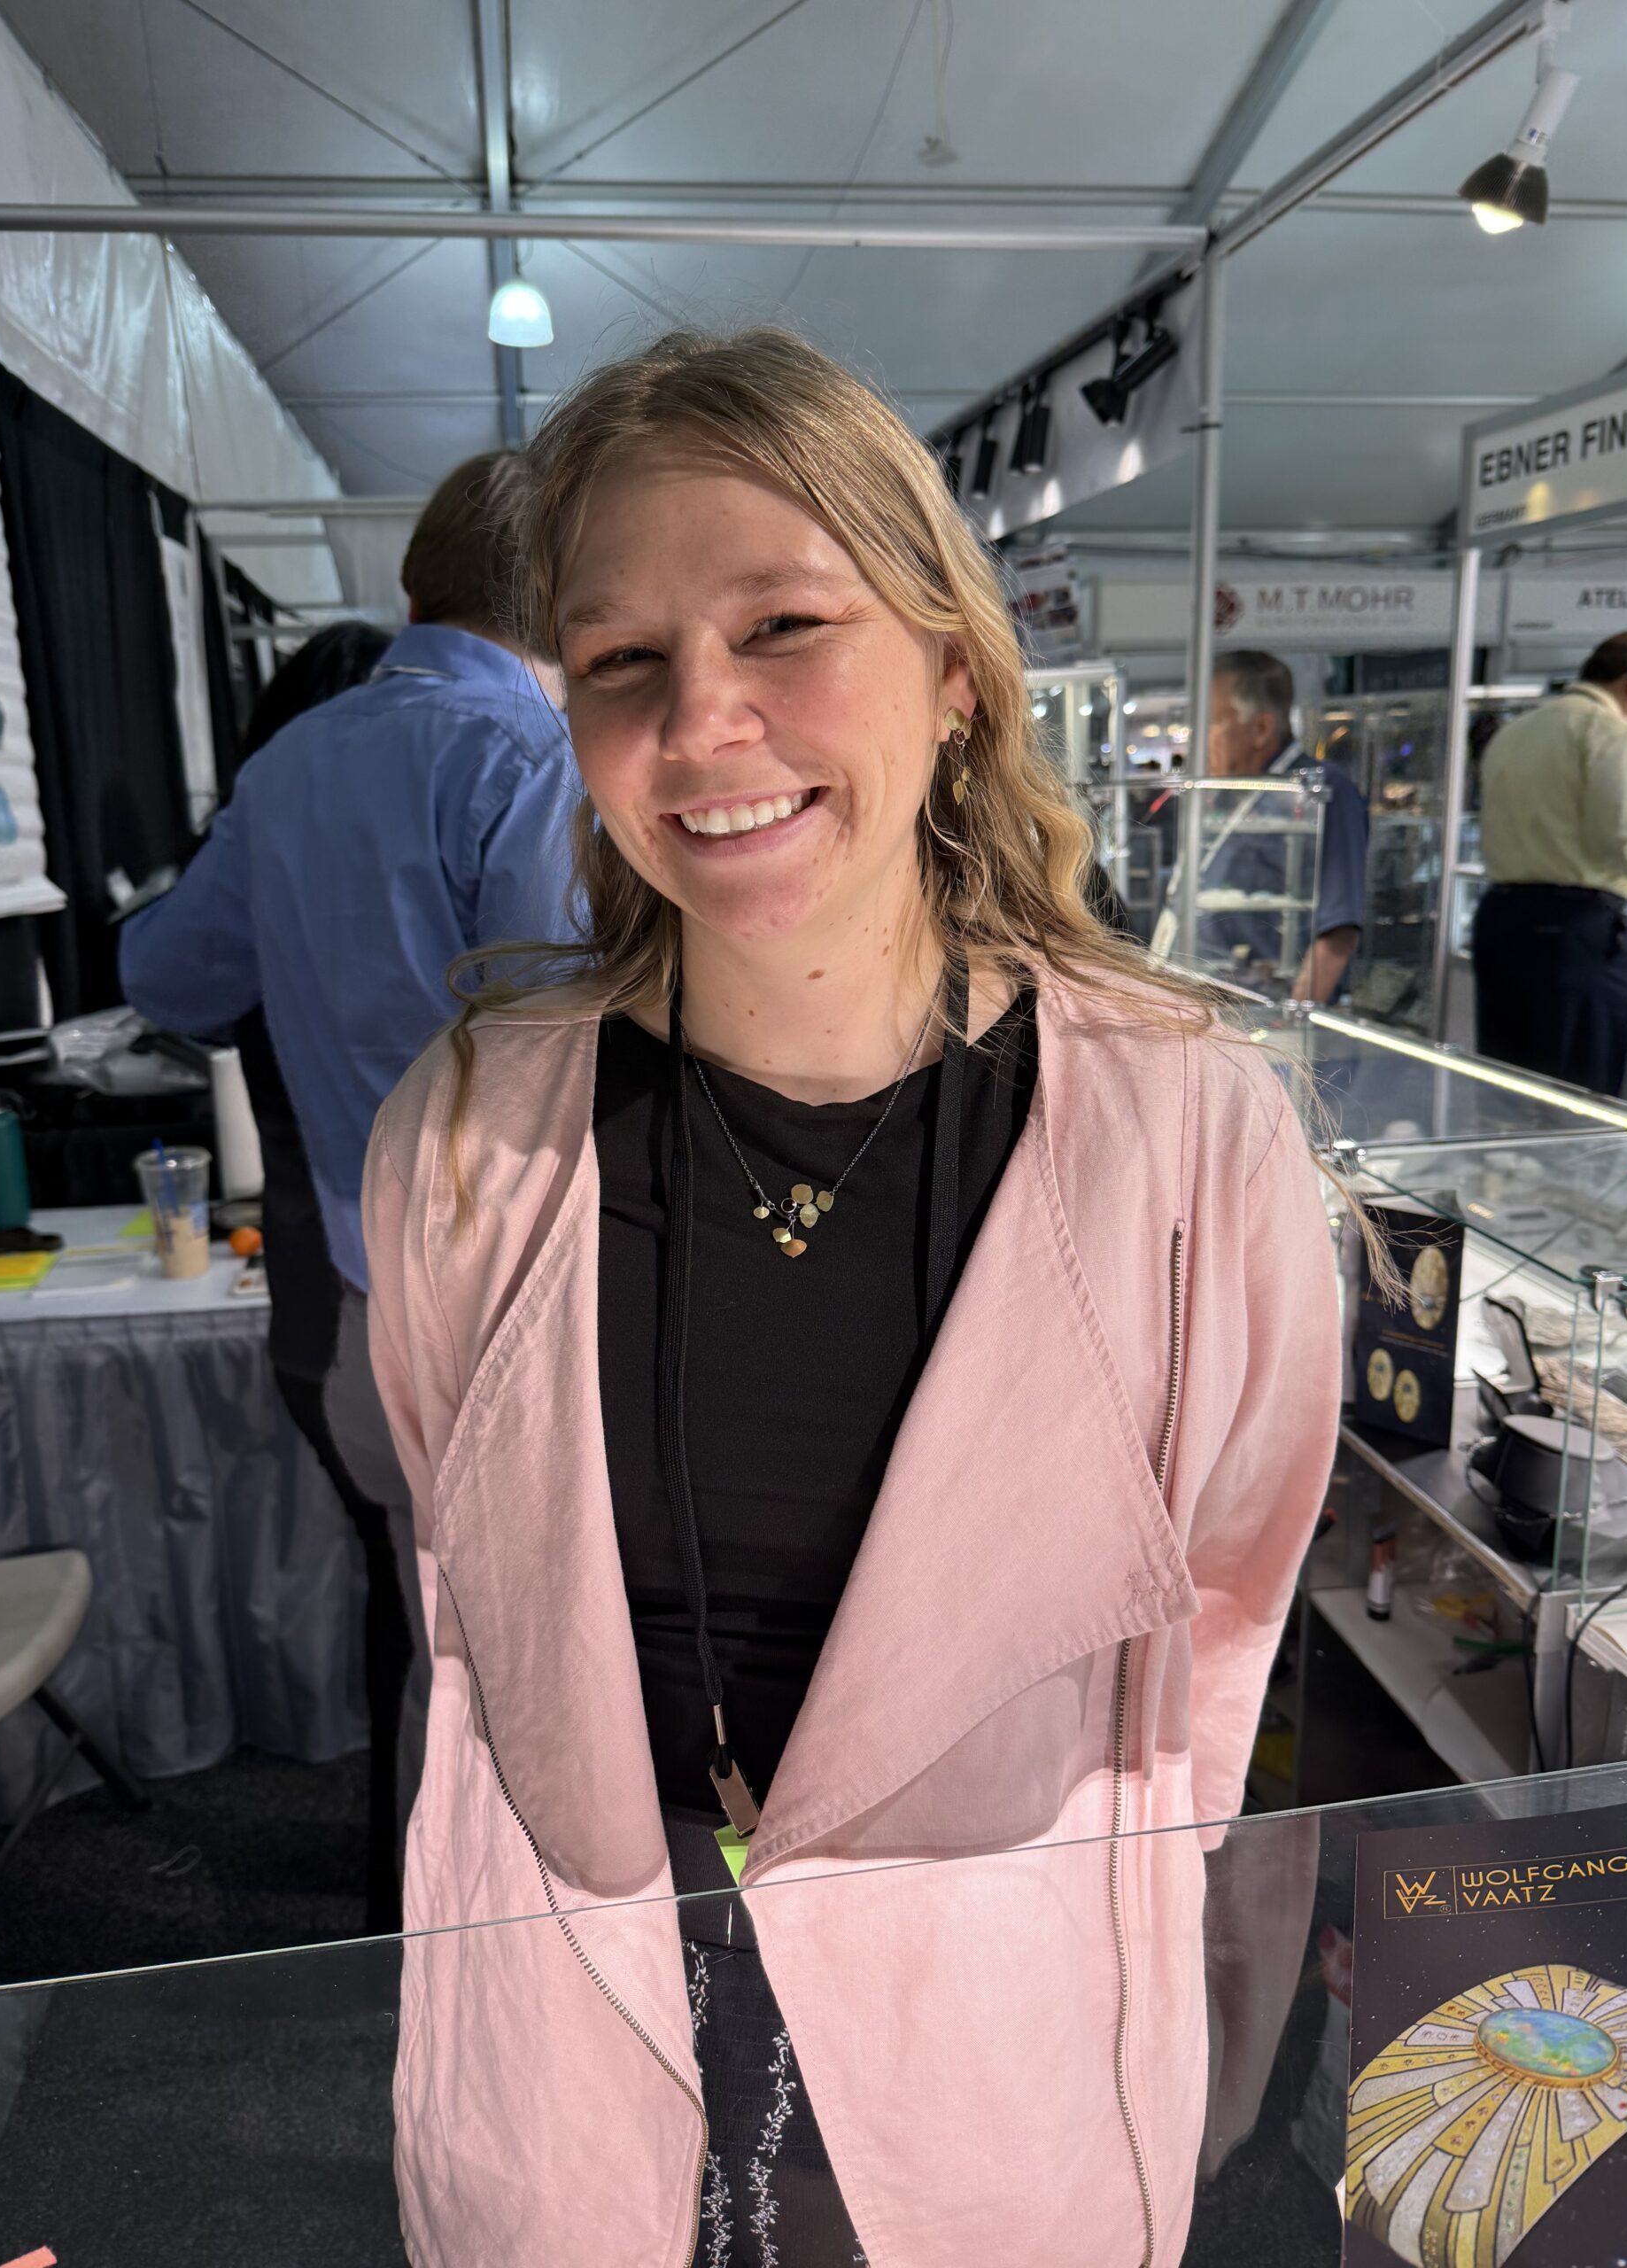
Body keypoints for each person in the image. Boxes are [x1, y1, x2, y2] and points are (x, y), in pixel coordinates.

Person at [363, 330, 1339, 2266]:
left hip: (1001, 2024)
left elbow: (1226, 1602)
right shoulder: (474, 1137)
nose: (701, 721)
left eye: (784, 626)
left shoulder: (1181, 1131)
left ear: (954, 669)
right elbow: (477, 1613)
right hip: (596, 2013)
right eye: (620, 660)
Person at [119, 451, 577, 1852]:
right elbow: (564, 1045)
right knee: (562, 1676)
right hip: (526, 1312)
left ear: (410, 592)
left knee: (445, 1656)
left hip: (368, 1311)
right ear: (571, 605)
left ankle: (446, 1944)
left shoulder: (289, 766)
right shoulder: (537, 761)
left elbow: (169, 979)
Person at [218, 621, 409, 1930]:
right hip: (371, 1304)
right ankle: (413, 1887)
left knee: (403, 1597)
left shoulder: (263, 891)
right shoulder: (387, 926)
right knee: (431, 1610)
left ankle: (399, 1877)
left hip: (317, 1301)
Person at [1473, 632, 1627, 1095]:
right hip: (1575, 933)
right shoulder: (1611, 733)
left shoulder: (1515, 732)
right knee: (1580, 1097)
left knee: (1507, 1091)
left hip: (1500, 920)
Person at [1164, 649, 1367, 1003]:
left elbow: (1338, 930)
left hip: (1261, 1010)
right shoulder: (1234, 790)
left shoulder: (1320, 792)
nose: (1199, 739)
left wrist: (1294, 1018)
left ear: (1261, 729)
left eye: (1212, 723)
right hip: (1207, 1001)